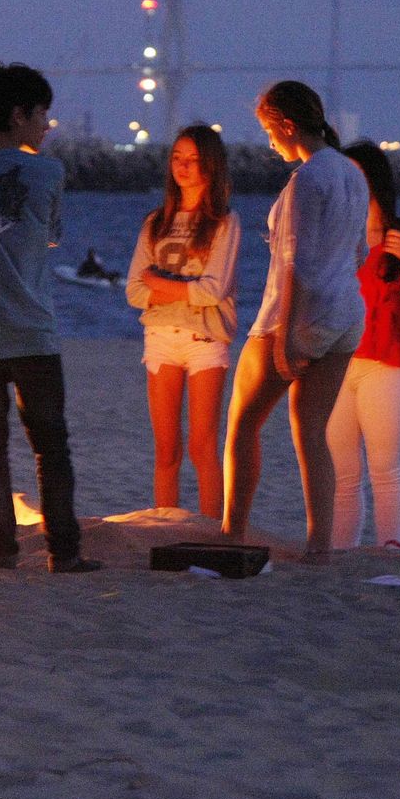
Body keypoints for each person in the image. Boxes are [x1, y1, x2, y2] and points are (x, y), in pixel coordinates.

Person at [0, 63, 102, 573]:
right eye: (43, 114)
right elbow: (52, 236)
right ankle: (64, 550)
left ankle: (1, 546)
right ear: (20, 115)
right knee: (51, 446)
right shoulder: (48, 171)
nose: (47, 125)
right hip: (33, 327)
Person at [222, 81, 367, 560]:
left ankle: (233, 533)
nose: (269, 142)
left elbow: (296, 264)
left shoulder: (307, 180)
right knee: (312, 429)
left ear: (286, 123)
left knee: (244, 424)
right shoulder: (352, 173)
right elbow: (358, 252)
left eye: (269, 130)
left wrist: (285, 339)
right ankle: (319, 546)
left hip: (300, 316)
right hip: (347, 313)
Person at [325, 142, 400, 550]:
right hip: (336, 363)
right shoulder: (333, 230)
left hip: (387, 364)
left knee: (386, 469)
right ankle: (342, 554)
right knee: (343, 475)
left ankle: (392, 552)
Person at [125, 124, 240, 518]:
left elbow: (214, 290)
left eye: (193, 160)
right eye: (177, 158)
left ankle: (210, 533)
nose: (183, 167)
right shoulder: (155, 222)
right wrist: (178, 287)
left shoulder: (224, 222)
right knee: (166, 448)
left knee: (203, 446)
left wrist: (160, 282)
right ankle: (166, 528)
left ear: (210, 166)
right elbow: (134, 292)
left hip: (205, 340)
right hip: (159, 337)